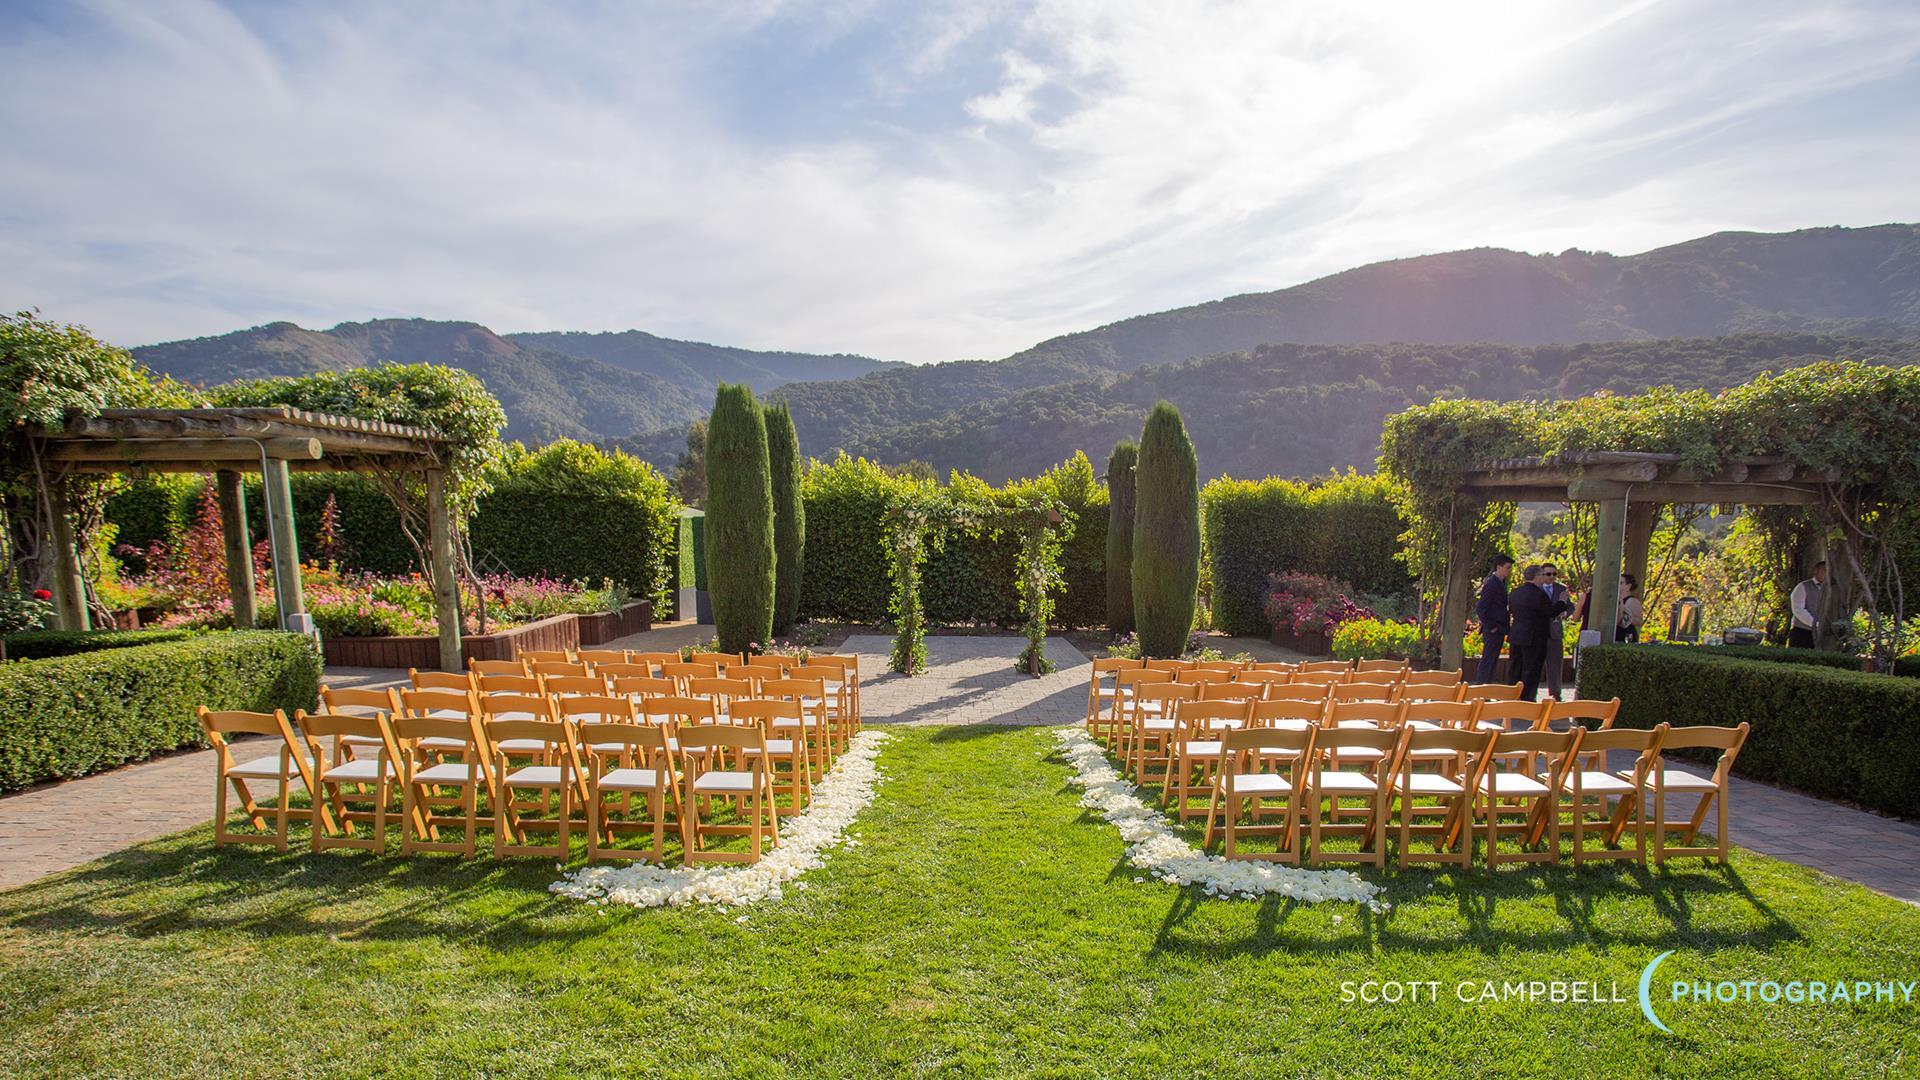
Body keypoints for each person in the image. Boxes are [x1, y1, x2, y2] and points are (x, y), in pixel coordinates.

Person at [1508, 563, 1574, 700]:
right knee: (1531, 669)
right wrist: (1562, 601)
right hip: (1534, 636)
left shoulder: (1515, 592)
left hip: (1517, 634)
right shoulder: (1538, 594)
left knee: (1516, 667)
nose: (1545, 577)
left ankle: (1513, 697)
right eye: (1543, 574)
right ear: (1537, 576)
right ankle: (1527, 699)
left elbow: (1511, 611)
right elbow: (1550, 612)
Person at [1474, 555, 1514, 683]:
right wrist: (1492, 626)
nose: (1509, 570)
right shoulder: (1492, 583)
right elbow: (1481, 608)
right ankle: (1482, 689)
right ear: (1499, 567)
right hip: (1493, 628)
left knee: (1492, 660)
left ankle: (1486, 688)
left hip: (1499, 628)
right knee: (1488, 659)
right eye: (1507, 568)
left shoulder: (1501, 583)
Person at [1540, 563, 1572, 697]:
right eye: (1548, 574)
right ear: (1542, 574)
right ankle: (1529, 695)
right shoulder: (1536, 588)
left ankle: (1556, 694)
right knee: (1535, 665)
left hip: (1555, 631)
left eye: (1554, 574)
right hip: (1539, 630)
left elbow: (1570, 607)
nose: (1552, 577)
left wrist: (1564, 613)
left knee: (1555, 664)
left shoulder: (1561, 589)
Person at [1789, 561, 1828, 648]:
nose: (1827, 573)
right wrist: (1816, 624)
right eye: (1824, 570)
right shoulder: (1803, 587)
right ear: (1816, 571)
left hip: (1823, 634)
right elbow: (1798, 610)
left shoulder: (1831, 590)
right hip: (1802, 632)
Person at [1615, 573, 1644, 643]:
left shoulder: (1632, 601)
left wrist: (1627, 617)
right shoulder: (1616, 600)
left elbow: (1639, 621)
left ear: (1628, 586)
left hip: (1626, 635)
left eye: (1621, 583)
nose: (1618, 585)